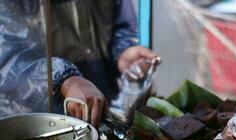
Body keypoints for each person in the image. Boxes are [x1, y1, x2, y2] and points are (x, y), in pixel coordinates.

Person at [0, 0, 157, 129]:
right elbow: (7, 58)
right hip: (35, 124)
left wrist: (121, 52)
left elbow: (119, 20)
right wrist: (64, 80)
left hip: (103, 111)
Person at [51, 0, 158, 128]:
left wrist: (121, 52)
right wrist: (65, 80)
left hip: (108, 104)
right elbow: (21, 58)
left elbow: (121, 25)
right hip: (48, 121)